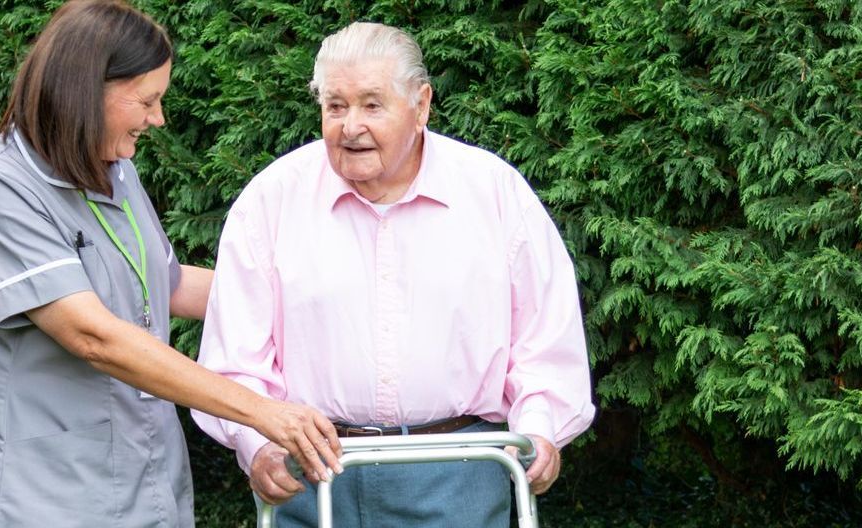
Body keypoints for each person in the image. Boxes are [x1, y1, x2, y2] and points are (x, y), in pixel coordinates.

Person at [0, 2, 342, 526]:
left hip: (143, 484)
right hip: (40, 494)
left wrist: (316, 298)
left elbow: (168, 285)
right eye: (148, 100)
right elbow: (93, 336)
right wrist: (263, 410)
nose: (159, 119)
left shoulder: (114, 169)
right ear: (88, 90)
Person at [192, 22, 596, 527]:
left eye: (371, 104)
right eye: (335, 106)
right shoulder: (271, 200)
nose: (349, 125)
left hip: (459, 471)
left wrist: (538, 430)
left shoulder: (493, 193)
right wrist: (258, 447)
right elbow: (237, 354)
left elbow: (545, 335)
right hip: (309, 471)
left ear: (421, 105)